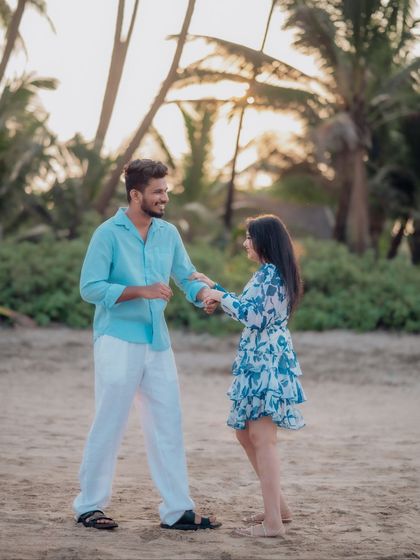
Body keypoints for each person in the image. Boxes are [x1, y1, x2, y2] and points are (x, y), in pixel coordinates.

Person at [73, 158, 221, 532]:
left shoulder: (168, 233)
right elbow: (90, 287)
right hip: (117, 340)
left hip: (158, 343)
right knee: (110, 421)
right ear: (135, 194)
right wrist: (141, 290)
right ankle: (89, 506)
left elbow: (187, 276)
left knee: (168, 424)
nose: (164, 197)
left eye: (166, 191)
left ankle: (177, 510)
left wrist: (204, 294)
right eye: (157, 191)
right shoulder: (107, 233)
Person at [192, 214, 306, 538]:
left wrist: (220, 296)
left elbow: (252, 316)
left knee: (262, 438)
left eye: (248, 237)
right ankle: (279, 509)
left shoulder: (271, 274)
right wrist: (216, 290)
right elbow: (247, 306)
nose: (245, 243)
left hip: (265, 360)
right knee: (245, 434)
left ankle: (273, 523)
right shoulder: (269, 273)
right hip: (259, 358)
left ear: (263, 241)